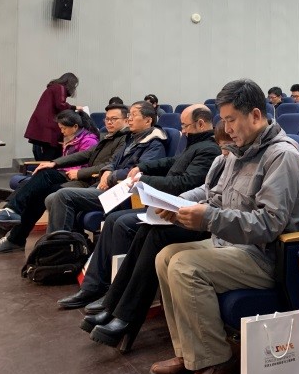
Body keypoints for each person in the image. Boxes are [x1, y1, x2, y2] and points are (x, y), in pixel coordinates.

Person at [92, 79, 299, 374]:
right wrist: (175, 206)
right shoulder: (239, 152)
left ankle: (215, 360)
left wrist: (208, 218)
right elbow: (215, 196)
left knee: (185, 265)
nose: (226, 128)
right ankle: (189, 353)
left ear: (255, 115)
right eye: (224, 120)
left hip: (264, 256)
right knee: (165, 256)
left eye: (231, 120)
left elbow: (268, 224)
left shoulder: (282, 156)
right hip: (231, 245)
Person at [58, 105, 220, 310]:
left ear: (201, 124)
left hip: (178, 207)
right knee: (113, 219)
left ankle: (114, 291)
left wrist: (144, 180)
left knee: (123, 223)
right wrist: (142, 167)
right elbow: (172, 161)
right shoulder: (194, 145)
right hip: (167, 202)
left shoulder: (208, 149)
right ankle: (93, 285)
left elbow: (186, 183)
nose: (183, 131)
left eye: (185, 126)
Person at [43, 101, 167, 235]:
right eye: (129, 115)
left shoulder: (155, 145)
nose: (129, 119)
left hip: (123, 193)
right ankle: (74, 240)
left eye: (134, 115)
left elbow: (139, 172)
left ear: (148, 120)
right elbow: (113, 161)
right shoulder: (132, 139)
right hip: (109, 187)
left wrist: (110, 177)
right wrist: (107, 170)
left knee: (63, 195)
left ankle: (59, 243)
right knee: (51, 198)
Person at [0, 109, 101, 253]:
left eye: (64, 128)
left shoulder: (89, 140)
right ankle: (13, 228)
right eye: (60, 128)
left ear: (75, 127)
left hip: (79, 179)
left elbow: (85, 164)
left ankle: (12, 223)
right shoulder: (72, 137)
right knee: (36, 190)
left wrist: (59, 167)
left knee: (44, 176)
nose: (62, 131)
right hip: (66, 175)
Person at [24, 72, 83, 160]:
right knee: (52, 152)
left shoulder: (53, 87)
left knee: (47, 151)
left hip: (41, 123)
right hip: (48, 124)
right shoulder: (60, 88)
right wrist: (74, 108)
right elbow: (60, 105)